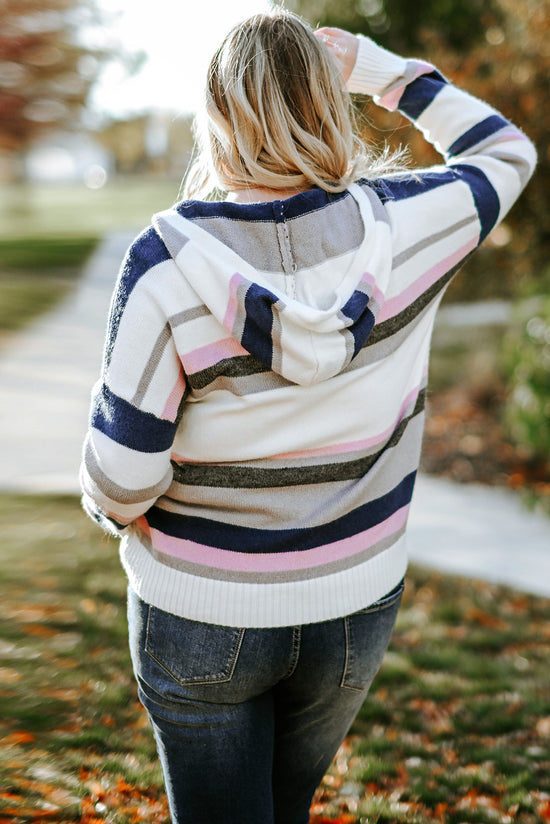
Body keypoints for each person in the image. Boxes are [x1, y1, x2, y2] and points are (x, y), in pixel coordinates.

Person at [80, 10, 536, 824]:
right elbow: (508, 151)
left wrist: (110, 510)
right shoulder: (410, 223)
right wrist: (383, 69)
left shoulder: (166, 262)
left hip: (202, 610)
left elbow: (121, 477)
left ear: (218, 116)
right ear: (331, 104)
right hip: (354, 604)